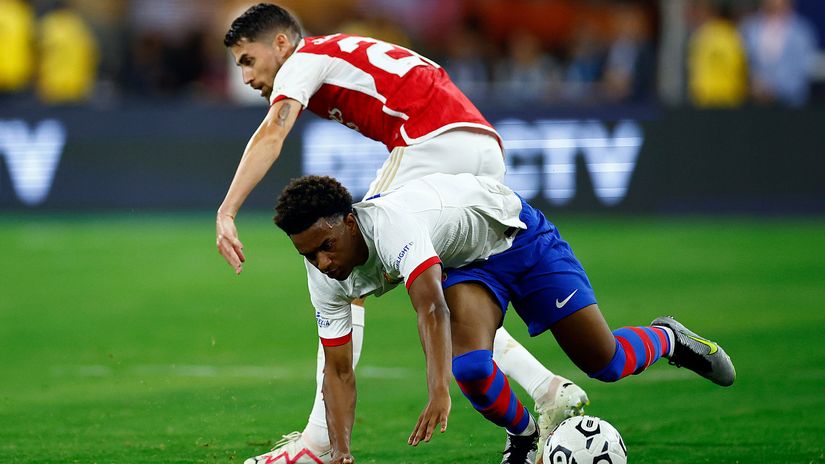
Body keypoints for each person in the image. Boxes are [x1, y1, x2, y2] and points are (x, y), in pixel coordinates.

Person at [216, 4, 588, 463]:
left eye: (247, 60)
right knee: (431, 278)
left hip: (433, 141)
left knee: (348, 273)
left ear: (279, 43)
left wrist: (228, 210)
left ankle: (318, 444)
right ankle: (548, 388)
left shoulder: (303, 60)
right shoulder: (337, 50)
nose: (246, 76)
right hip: (479, 145)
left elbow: (275, 130)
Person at [273, 173, 736, 464]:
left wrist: (438, 393)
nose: (322, 262)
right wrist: (341, 452)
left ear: (351, 222)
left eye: (326, 246)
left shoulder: (393, 225)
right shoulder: (324, 279)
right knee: (472, 367)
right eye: (308, 254)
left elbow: (431, 307)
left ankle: (668, 337)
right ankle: (526, 438)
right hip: (469, 269)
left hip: (520, 238)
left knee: (605, 362)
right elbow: (338, 369)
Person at [739, 0, 818, 107]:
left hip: (790, 105)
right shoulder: (749, 28)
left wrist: (774, 90)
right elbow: (743, 63)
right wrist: (754, 86)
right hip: (754, 103)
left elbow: (803, 70)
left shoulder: (802, 31)